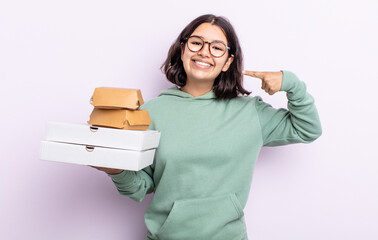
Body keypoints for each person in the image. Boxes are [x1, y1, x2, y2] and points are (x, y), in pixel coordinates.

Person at [93, 14, 322, 240]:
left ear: (228, 62)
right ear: (182, 49)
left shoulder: (250, 112)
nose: (204, 52)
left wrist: (290, 83)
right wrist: (115, 170)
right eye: (196, 43)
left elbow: (307, 128)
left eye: (217, 48)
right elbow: (140, 187)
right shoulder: (150, 112)